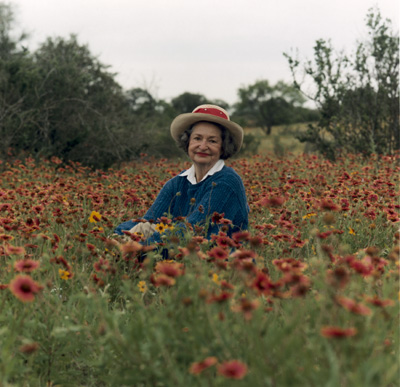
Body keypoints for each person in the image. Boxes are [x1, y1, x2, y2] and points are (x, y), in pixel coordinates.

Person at [114, 104, 249, 245]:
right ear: (188, 141)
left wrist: (139, 247)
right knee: (142, 228)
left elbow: (191, 230)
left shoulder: (226, 182)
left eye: (212, 141)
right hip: (177, 251)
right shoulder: (178, 183)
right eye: (197, 138)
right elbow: (149, 220)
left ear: (223, 146)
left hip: (219, 260)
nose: (203, 146)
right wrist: (118, 235)